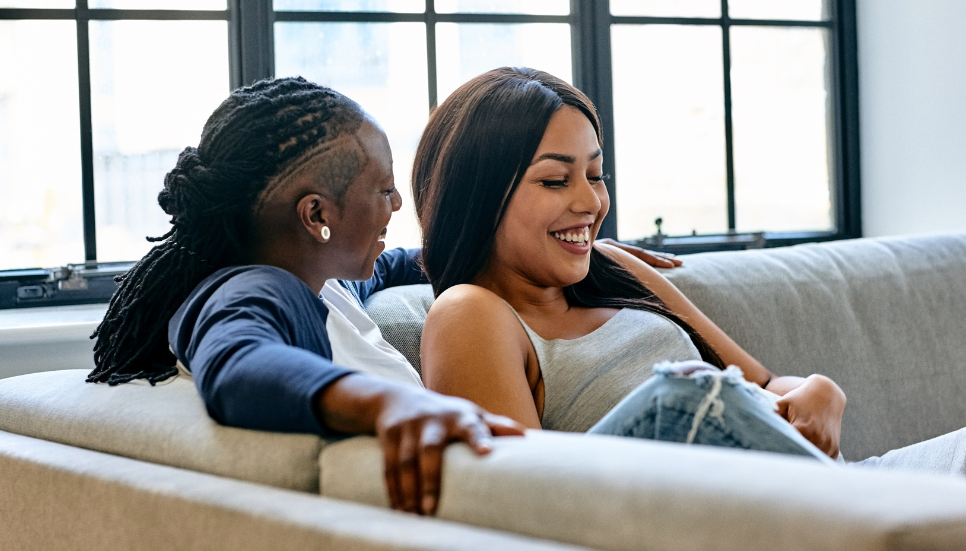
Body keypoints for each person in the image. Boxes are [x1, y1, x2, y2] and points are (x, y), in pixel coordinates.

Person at [412, 67, 966, 474]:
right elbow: (524, 501)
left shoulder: (613, 266)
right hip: (755, 521)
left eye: (596, 175)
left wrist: (820, 393)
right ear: (478, 196)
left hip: (852, 485)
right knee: (690, 396)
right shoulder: (471, 314)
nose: (590, 203)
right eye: (556, 180)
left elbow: (770, 385)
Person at [86, 76, 529, 516]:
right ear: (317, 214)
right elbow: (237, 361)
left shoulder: (321, 281)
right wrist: (388, 403)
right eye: (383, 189)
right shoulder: (255, 290)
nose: (396, 204)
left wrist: (518, 251)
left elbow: (400, 265)